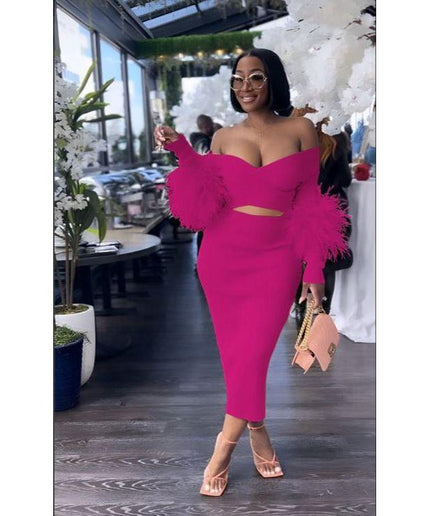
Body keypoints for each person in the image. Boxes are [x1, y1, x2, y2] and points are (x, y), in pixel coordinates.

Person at [154, 48, 349, 497]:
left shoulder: (301, 130)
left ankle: (223, 447)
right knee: (237, 356)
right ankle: (257, 429)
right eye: (238, 79)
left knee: (256, 352)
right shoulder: (224, 136)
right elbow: (206, 186)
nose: (245, 87)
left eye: (256, 77)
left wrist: (314, 268)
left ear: (272, 80)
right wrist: (181, 148)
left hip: (278, 258)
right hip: (223, 257)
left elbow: (310, 201)